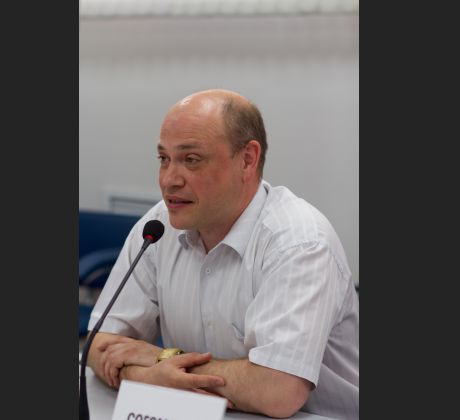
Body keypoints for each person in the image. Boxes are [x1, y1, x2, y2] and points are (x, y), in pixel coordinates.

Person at [86, 89, 359, 419]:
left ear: (247, 159)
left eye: (191, 159)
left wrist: (160, 361)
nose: (169, 180)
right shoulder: (158, 226)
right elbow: (100, 342)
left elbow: (277, 391)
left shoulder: (300, 242)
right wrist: (145, 375)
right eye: (163, 159)